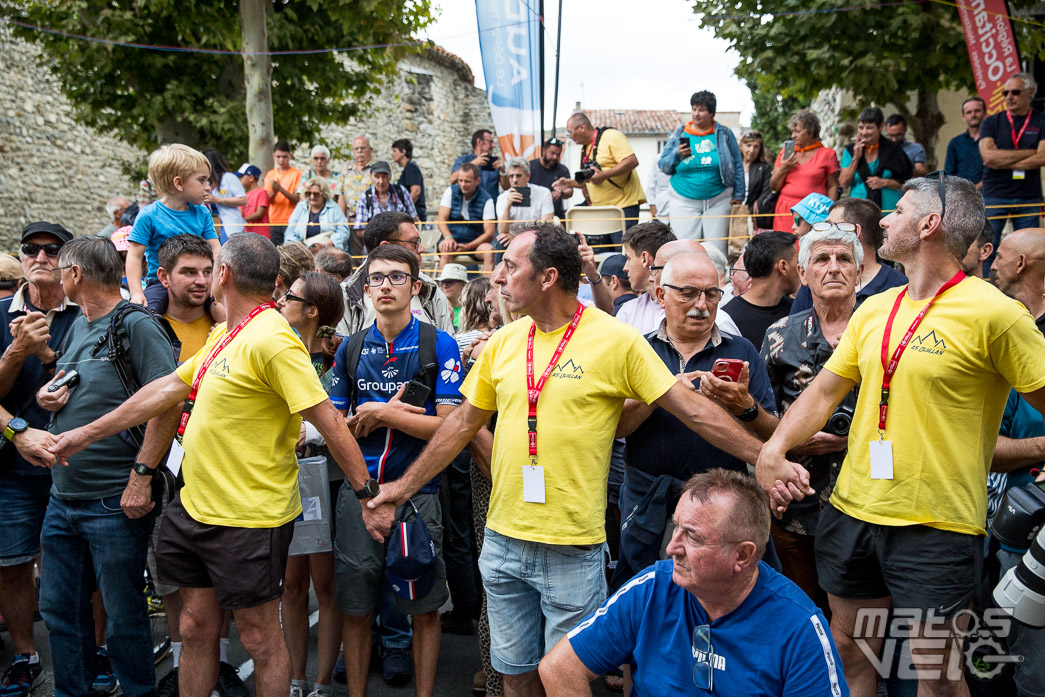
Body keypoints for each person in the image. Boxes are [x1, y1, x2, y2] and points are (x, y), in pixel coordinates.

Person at [365, 222, 778, 697]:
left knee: (565, 678)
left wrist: (765, 456)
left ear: (546, 278)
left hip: (573, 546)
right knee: (514, 675)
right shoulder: (503, 342)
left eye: (510, 265)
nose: (498, 277)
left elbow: (695, 411)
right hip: (504, 541)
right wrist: (399, 489)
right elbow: (459, 425)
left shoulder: (617, 340)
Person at [49, 233, 389, 697]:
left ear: (223, 274)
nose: (206, 278)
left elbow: (327, 418)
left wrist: (368, 496)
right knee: (193, 627)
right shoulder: (226, 332)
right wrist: (83, 435)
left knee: (258, 638)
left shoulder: (272, 338)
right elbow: (166, 389)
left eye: (211, 269)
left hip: (249, 519)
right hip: (195, 511)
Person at [757, 174, 1045, 697]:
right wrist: (773, 449)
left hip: (936, 524)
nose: (883, 219)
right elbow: (822, 393)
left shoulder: (997, 315)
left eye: (898, 210)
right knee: (852, 651)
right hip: (851, 509)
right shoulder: (876, 307)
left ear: (929, 225)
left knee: (935, 675)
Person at [539, 469, 849, 697]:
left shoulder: (799, 627)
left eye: (693, 536)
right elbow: (559, 669)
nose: (672, 548)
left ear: (742, 555)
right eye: (676, 528)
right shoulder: (652, 588)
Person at [35, 236, 179, 697]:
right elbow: (74, 383)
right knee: (59, 609)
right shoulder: (79, 324)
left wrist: (141, 477)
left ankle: (138, 691)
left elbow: (167, 402)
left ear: (75, 275)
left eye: (60, 272)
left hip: (114, 498)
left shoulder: (135, 324)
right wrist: (45, 397)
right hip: (64, 495)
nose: (57, 279)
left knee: (122, 615)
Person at [328, 244, 462, 697]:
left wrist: (384, 414)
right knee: (356, 607)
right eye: (378, 278)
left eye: (397, 277)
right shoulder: (350, 347)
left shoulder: (437, 343)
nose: (386, 285)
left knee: (423, 608)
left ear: (416, 287)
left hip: (417, 493)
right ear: (365, 290)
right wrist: (363, 419)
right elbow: (334, 426)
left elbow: (447, 429)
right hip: (358, 492)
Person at [611, 252, 777, 587]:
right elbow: (615, 428)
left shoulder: (741, 351)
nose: (701, 305)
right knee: (644, 594)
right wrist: (664, 392)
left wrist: (745, 406)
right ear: (661, 296)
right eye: (688, 293)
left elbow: (772, 433)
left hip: (722, 507)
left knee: (720, 592)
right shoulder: (635, 351)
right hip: (647, 500)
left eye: (711, 294)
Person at [761, 224, 862, 611]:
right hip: (796, 500)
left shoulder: (881, 328)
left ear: (858, 269)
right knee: (800, 606)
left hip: (866, 498)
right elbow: (761, 416)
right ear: (802, 273)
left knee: (860, 615)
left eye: (844, 259)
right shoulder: (779, 335)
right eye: (822, 259)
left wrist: (850, 438)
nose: (834, 268)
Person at [0, 222, 79, 697]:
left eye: (53, 249)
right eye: (32, 249)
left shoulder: (89, 313)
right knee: (11, 563)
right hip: (12, 467)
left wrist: (48, 357)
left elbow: (95, 391)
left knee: (84, 564)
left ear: (68, 260)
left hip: (76, 462)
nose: (42, 256)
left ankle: (95, 651)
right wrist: (16, 353)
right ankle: (27, 655)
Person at [275, 271, 345, 697]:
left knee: (326, 585)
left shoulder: (336, 357)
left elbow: (340, 417)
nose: (282, 299)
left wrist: (312, 434)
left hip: (326, 478)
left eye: (291, 296)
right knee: (291, 584)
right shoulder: (273, 345)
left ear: (312, 310)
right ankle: (296, 678)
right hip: (282, 475)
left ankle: (321, 682)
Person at [126, 144, 222, 311]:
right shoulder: (148, 215)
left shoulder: (203, 213)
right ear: (179, 183)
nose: (208, 186)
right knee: (148, 315)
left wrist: (214, 280)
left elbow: (216, 248)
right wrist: (136, 293)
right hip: (161, 283)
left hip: (200, 280)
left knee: (221, 311)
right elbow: (134, 256)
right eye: (202, 180)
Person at [337, 212, 454, 337]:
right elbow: (340, 351)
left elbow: (448, 347)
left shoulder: (430, 289)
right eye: (413, 243)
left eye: (397, 278)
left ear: (415, 287)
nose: (421, 249)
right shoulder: (346, 295)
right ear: (386, 247)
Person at [656, 91, 744, 253]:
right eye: (694, 109)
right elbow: (663, 166)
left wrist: (739, 195)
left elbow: (737, 163)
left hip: (719, 200)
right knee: (685, 249)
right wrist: (677, 153)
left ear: (711, 113)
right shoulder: (679, 134)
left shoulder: (724, 134)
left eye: (701, 110)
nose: (696, 114)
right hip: (683, 201)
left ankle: (719, 278)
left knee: (716, 251)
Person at [790, 197, 908, 315]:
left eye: (831, 225)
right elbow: (795, 328)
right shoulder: (816, 279)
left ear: (854, 231)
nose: (825, 232)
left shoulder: (899, 287)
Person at [979, 72, 1045, 273]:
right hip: (995, 194)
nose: (1009, 97)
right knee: (987, 247)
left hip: (1028, 196)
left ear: (1030, 93)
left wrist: (1002, 158)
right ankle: (986, 291)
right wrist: (1029, 153)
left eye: (1015, 92)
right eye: (1005, 93)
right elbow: (988, 158)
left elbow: (1043, 157)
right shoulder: (991, 122)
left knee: (1028, 250)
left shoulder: (1041, 120)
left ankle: (1024, 295)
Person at [556, 113, 645, 228]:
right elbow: (589, 182)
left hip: (622, 207)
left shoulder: (610, 136)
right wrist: (568, 183)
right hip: (600, 210)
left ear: (582, 128)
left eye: (570, 132)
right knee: (603, 247)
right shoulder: (584, 149)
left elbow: (632, 161)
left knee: (621, 246)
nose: (570, 136)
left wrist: (603, 175)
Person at [721, 231, 800, 350]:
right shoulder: (727, 322)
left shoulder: (796, 311)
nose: (801, 268)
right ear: (783, 267)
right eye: (797, 262)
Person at [770, 109, 840, 232]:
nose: (793, 136)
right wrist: (784, 168)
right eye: (792, 131)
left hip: (814, 211)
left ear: (811, 132)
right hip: (786, 209)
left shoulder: (827, 154)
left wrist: (830, 214)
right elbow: (774, 186)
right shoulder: (786, 153)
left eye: (797, 131)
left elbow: (832, 186)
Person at [840, 106, 913, 213]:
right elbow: (843, 183)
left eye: (869, 128)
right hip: (857, 211)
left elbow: (906, 182)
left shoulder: (893, 150)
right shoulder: (850, 150)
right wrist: (856, 158)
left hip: (887, 211)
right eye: (861, 127)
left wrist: (885, 182)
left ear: (880, 127)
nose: (864, 132)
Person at [156, 235, 215, 363]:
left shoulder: (226, 328)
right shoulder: (147, 329)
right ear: (164, 277)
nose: (202, 281)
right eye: (190, 272)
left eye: (207, 272)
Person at [616, 221, 677, 331]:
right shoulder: (628, 312)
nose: (625, 268)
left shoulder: (689, 309)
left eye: (628, 258)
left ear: (644, 258)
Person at [436, 163, 496, 272]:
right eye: (460, 180)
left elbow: (490, 233)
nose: (463, 184)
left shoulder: (487, 199)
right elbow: (441, 219)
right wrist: (448, 237)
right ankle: (444, 286)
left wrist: (468, 246)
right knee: (446, 247)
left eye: (467, 181)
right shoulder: (450, 191)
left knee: (489, 251)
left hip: (475, 243)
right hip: (452, 239)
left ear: (477, 181)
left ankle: (488, 288)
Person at [495, 157, 554, 255]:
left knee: (548, 240)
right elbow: (502, 231)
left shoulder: (543, 193)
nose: (514, 180)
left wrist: (519, 238)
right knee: (501, 241)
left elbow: (546, 227)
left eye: (518, 176)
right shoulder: (503, 198)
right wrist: (508, 206)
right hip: (511, 241)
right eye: (511, 176)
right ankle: (498, 270)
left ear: (528, 176)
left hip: (537, 239)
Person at [285, 177, 351, 250]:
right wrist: (300, 246)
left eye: (316, 194)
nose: (312, 196)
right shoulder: (300, 207)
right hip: (303, 250)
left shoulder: (334, 207)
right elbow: (289, 232)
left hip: (328, 250)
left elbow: (343, 231)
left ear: (324, 194)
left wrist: (328, 244)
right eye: (308, 193)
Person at [352, 161, 419, 233]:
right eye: (377, 176)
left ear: (390, 176)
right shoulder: (365, 198)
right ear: (371, 177)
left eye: (384, 177)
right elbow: (359, 230)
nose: (381, 181)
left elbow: (414, 220)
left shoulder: (401, 192)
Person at [337, 136, 375, 254]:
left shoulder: (377, 169)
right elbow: (341, 196)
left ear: (370, 149)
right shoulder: (346, 170)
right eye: (356, 148)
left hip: (371, 219)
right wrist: (343, 221)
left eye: (363, 148)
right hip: (352, 220)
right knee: (355, 256)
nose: (360, 151)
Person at [263, 140, 303, 246]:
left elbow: (298, 199)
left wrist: (280, 189)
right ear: (274, 156)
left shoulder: (297, 174)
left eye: (284, 157)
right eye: (278, 156)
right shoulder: (270, 174)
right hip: (274, 220)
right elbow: (266, 199)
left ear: (290, 156)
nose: (281, 160)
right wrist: (275, 192)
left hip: (292, 220)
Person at [204, 149, 248, 240]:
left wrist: (218, 200)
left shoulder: (229, 177)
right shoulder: (207, 182)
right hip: (212, 225)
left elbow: (243, 199)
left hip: (230, 225)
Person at [450, 129, 504, 201]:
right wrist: (473, 164)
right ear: (479, 142)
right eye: (490, 142)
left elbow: (506, 187)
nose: (493, 145)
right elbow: (452, 179)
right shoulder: (463, 160)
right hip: (470, 208)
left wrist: (503, 172)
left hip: (491, 209)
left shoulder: (494, 162)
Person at [944, 97, 986, 189]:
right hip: (961, 195)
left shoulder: (993, 140)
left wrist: (976, 188)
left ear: (984, 113)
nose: (973, 115)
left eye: (977, 111)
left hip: (989, 194)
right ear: (963, 116)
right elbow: (949, 174)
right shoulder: (955, 143)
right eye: (969, 112)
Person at [528, 137, 572, 220]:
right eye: (552, 153)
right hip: (533, 217)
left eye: (558, 154)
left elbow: (570, 191)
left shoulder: (563, 170)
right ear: (543, 151)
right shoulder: (530, 167)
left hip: (556, 217)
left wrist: (561, 193)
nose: (555, 157)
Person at [741, 131, 774, 230]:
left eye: (756, 147)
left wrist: (749, 210)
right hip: (729, 210)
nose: (752, 150)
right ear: (741, 146)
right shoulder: (733, 164)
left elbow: (766, 192)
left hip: (751, 214)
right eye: (748, 145)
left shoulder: (764, 167)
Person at [392, 139, 426, 223]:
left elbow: (416, 191)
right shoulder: (408, 169)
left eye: (394, 151)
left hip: (414, 215)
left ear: (403, 152)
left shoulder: (411, 168)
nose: (392, 154)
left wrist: (403, 211)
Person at [236, 164, 270, 238]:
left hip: (261, 234)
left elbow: (259, 213)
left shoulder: (262, 192)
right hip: (247, 234)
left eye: (241, 177)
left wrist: (242, 220)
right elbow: (240, 211)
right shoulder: (244, 195)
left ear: (251, 178)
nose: (239, 180)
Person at [436, 263, 468, 329]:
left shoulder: (471, 310)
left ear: (463, 285)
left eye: (450, 282)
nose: (445, 286)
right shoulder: (438, 307)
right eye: (442, 282)